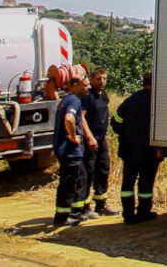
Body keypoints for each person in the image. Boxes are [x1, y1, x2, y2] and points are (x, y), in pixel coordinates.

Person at [111, 71, 161, 224]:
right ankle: (144, 212)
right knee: (146, 183)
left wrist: (125, 134)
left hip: (130, 150)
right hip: (150, 151)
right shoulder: (158, 102)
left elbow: (115, 122)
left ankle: (128, 215)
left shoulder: (130, 101)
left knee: (128, 184)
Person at [52, 75, 92, 226]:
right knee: (68, 184)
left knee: (80, 179)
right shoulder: (74, 100)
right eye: (85, 85)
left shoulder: (67, 99)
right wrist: (73, 136)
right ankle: (62, 218)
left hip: (67, 150)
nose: (88, 88)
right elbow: (69, 118)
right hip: (69, 151)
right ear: (75, 85)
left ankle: (74, 212)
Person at [82, 67, 119, 216]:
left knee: (103, 169)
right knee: (88, 172)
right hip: (90, 141)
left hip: (101, 140)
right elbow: (81, 117)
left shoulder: (103, 95)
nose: (102, 81)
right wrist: (89, 137)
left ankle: (101, 204)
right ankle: (84, 207)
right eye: (98, 78)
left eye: (104, 78)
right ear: (91, 79)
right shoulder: (87, 96)